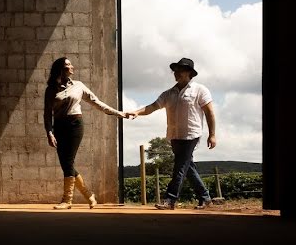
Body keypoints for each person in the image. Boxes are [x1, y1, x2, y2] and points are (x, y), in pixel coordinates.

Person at [125, 57, 217, 210]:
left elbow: (209, 112)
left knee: (179, 167)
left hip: (191, 134)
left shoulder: (200, 90)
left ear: (189, 73)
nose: (176, 73)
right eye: (175, 70)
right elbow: (153, 106)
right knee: (188, 168)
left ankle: (170, 199)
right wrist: (136, 112)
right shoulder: (169, 93)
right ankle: (206, 198)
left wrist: (212, 134)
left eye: (180, 70)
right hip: (174, 135)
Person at [44, 57, 128, 209]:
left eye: (71, 64)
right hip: (59, 127)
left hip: (75, 125)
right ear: (60, 69)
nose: (72, 66)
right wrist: (49, 132)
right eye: (68, 65)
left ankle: (67, 200)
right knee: (66, 163)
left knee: (68, 162)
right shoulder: (51, 89)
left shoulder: (78, 86)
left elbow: (96, 102)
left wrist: (118, 113)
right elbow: (46, 114)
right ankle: (89, 195)